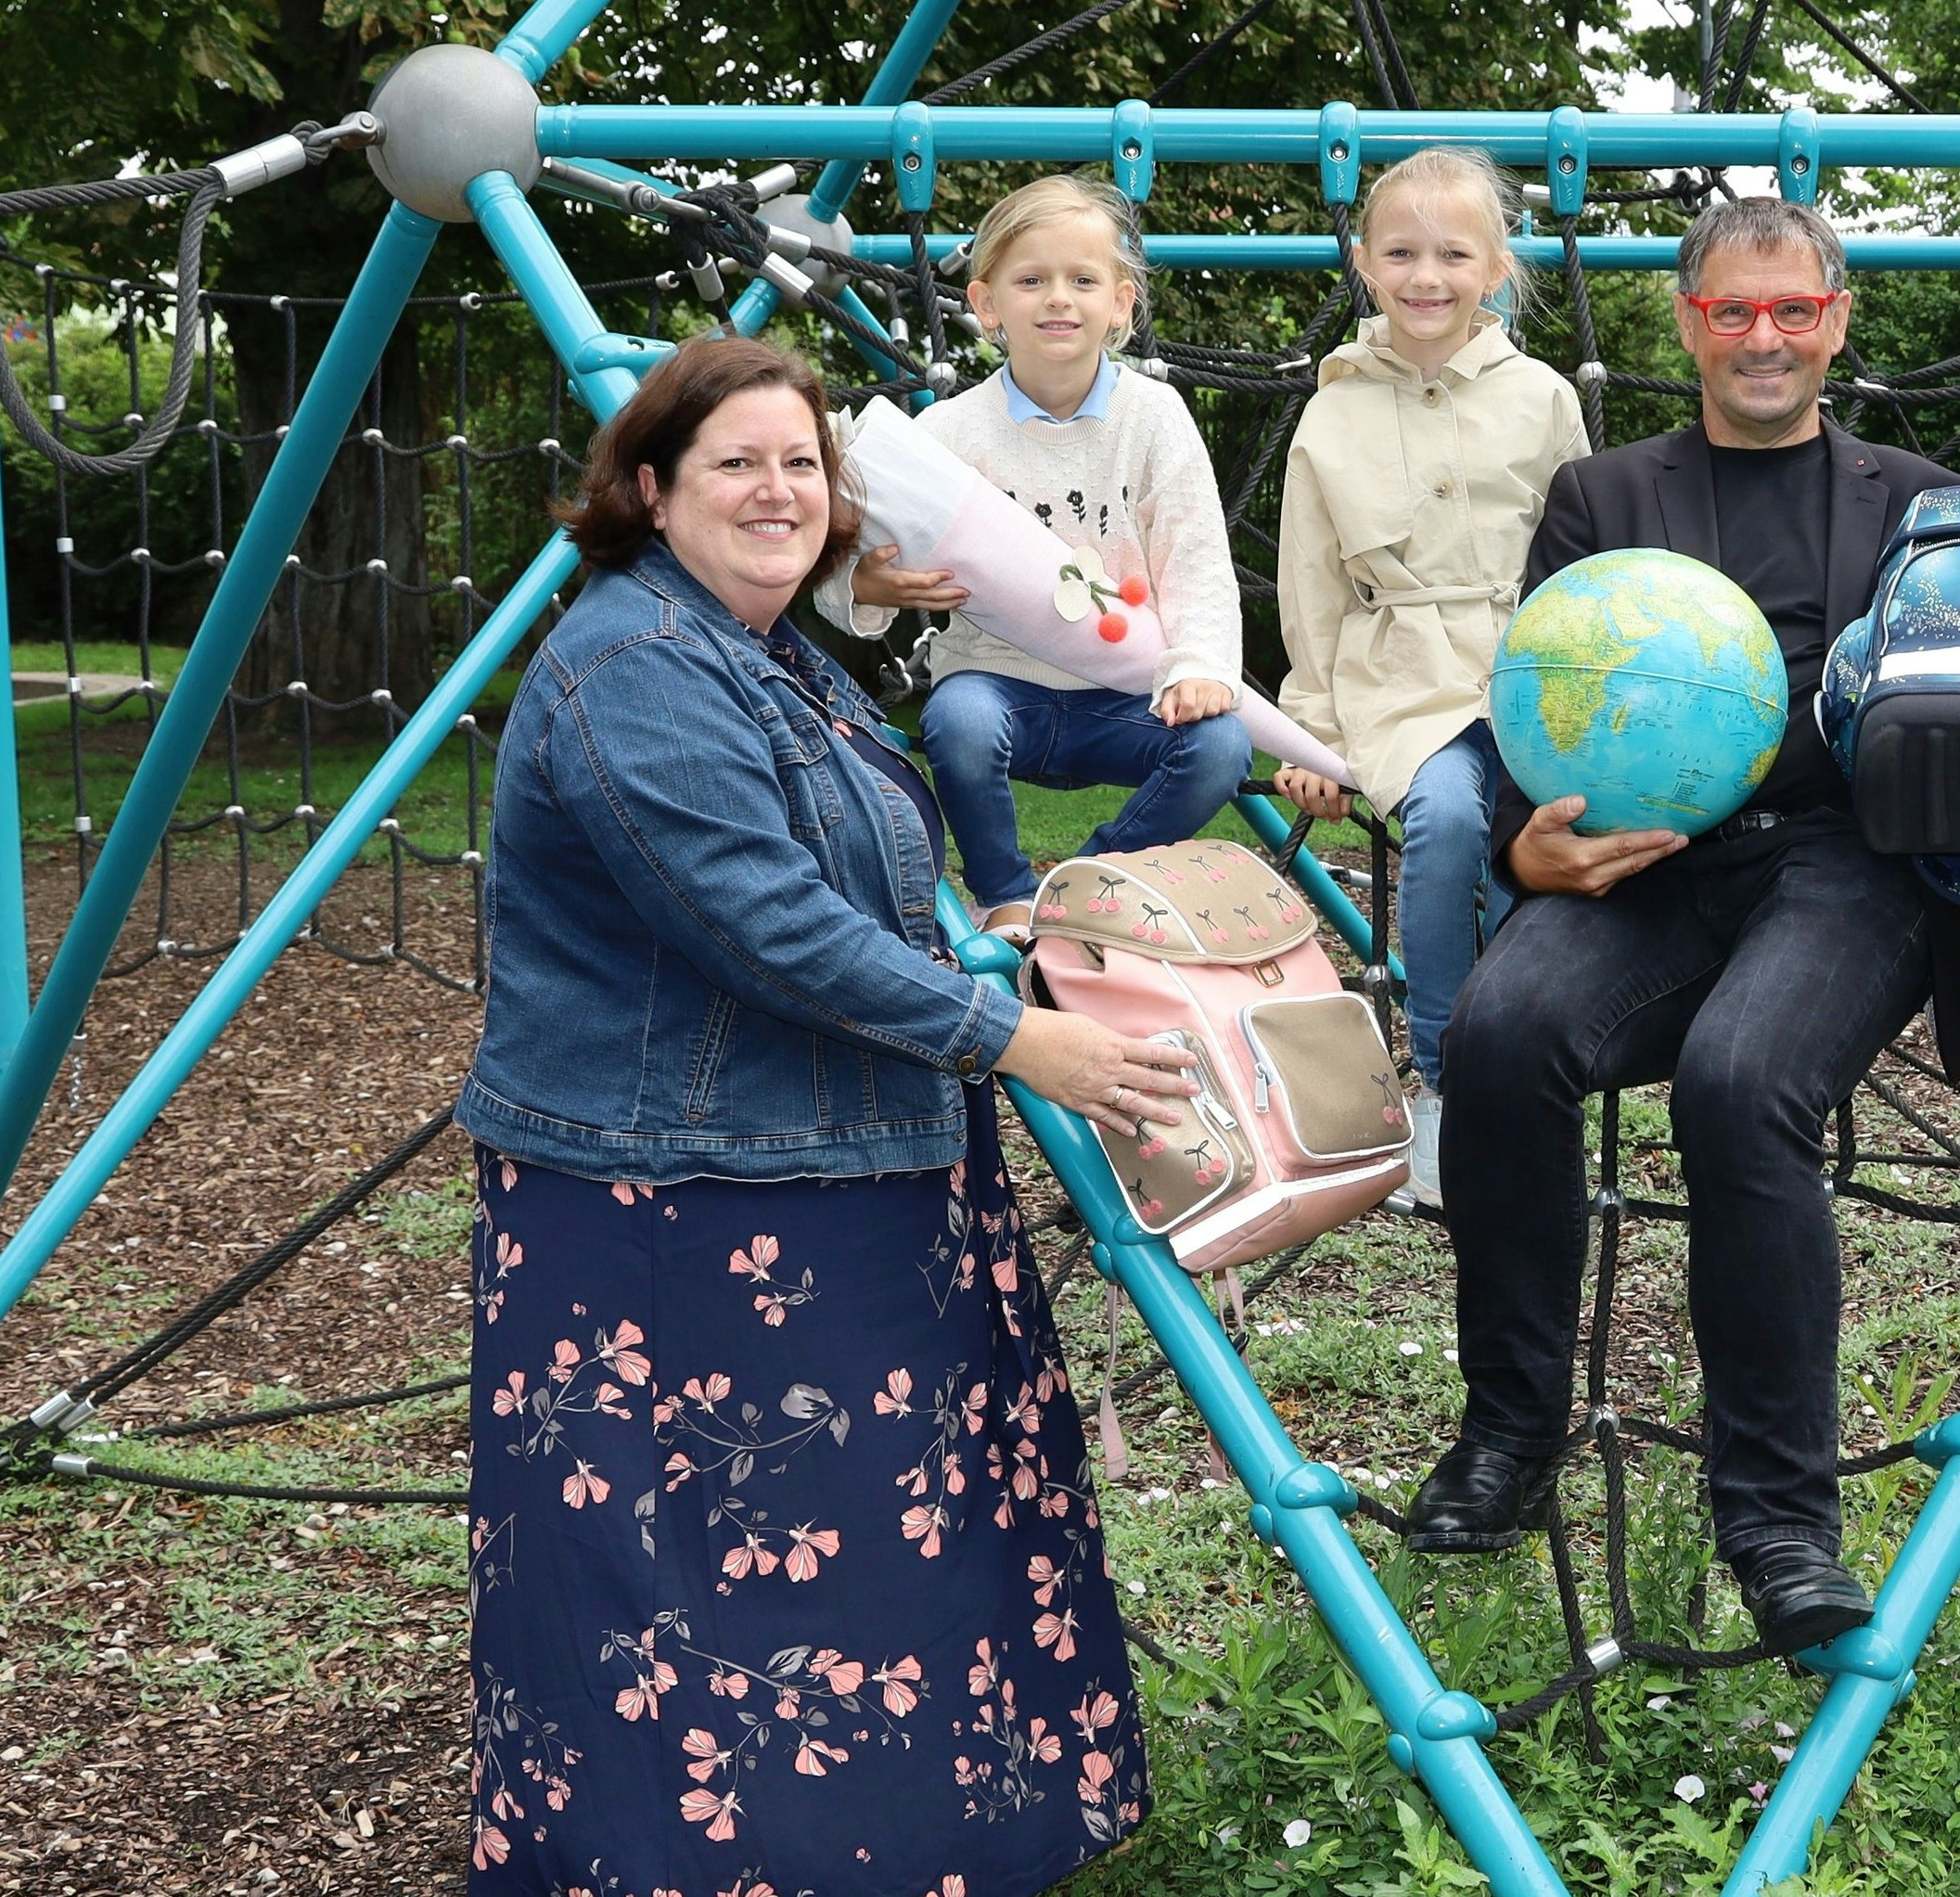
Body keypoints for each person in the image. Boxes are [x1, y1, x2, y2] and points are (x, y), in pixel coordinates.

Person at [460, 333, 1202, 1894]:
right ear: (650, 488)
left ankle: (903, 1854)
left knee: (871, 1551)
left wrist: (991, 951)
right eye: (737, 461)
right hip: (679, 1206)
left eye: (802, 461)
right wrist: (1012, 1040)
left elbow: (848, 897)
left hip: (824, 1174)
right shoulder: (636, 667)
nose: (779, 490)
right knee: (698, 1589)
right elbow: (764, 926)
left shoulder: (771, 649)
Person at [1397, 198, 1960, 1658]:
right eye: (1733, 311)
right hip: (1642, 864)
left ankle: (1780, 1522)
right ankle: (1511, 1429)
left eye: (1792, 310)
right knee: (1498, 1030)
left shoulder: (1917, 502)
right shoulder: (1605, 501)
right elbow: (1533, 705)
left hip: (1842, 865)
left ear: (1837, 320)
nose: (1763, 338)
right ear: (1687, 324)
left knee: (1742, 1086)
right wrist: (1523, 850)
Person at [1271, 147, 1591, 1210]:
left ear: (1494, 268)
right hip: (1401, 676)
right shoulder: (1334, 411)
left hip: (1525, 664)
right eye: (1401, 251)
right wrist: (1310, 731)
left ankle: (1532, 1079)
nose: (1426, 275)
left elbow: (1584, 547)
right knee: (1451, 820)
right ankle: (1448, 1083)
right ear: (1364, 263)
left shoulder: (1541, 398)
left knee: (1534, 843)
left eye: (1453, 253)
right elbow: (1310, 581)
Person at [819, 173, 1250, 938]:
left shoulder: (1154, 418)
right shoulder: (948, 433)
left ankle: (1087, 887)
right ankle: (1004, 895)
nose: (1058, 297)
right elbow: (843, 560)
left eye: (1083, 279)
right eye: (1031, 280)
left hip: (1128, 695)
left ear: (1120, 304)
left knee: (1222, 745)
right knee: (956, 717)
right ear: (987, 306)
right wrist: (867, 582)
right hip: (1000, 688)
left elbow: (1198, 560)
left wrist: (1199, 666)